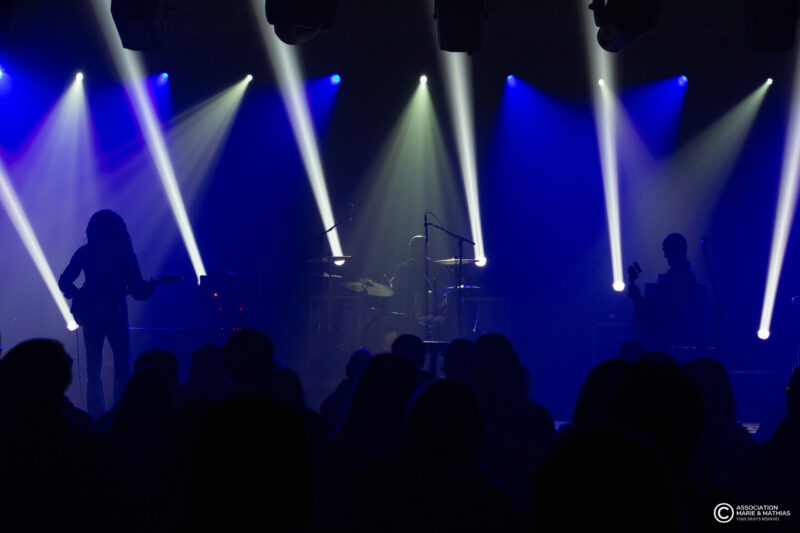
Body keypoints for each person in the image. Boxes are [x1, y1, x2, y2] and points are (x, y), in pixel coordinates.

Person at [59, 210, 155, 417]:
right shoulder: (125, 254)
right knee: (122, 365)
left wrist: (79, 295)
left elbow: (64, 281)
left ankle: (96, 416)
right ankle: (123, 414)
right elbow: (138, 292)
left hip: (92, 315)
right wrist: (149, 288)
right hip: (116, 313)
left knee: (93, 368)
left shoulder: (85, 252)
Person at [627, 233, 705, 351]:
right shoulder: (679, 276)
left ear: (676, 251)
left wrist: (637, 297)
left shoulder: (681, 277)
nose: (665, 255)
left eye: (667, 251)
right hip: (658, 334)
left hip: (660, 338)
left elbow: (659, 309)